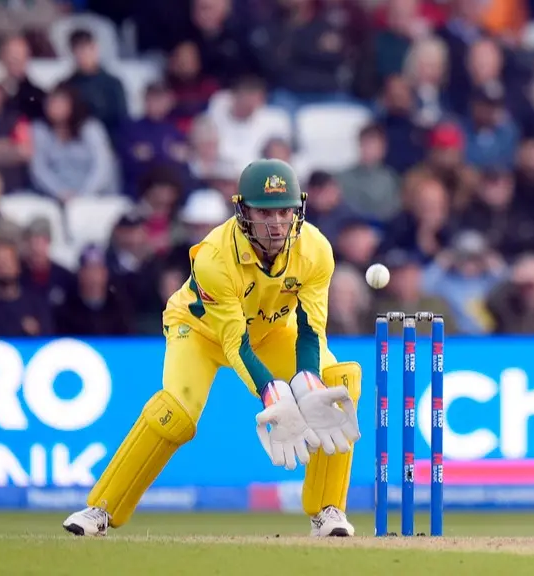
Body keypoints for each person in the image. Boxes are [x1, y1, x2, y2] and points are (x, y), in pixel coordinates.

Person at [62, 159, 363, 538]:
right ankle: (99, 510)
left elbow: (309, 330)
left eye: (285, 212)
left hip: (272, 330)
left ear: (298, 210)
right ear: (242, 211)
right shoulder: (214, 257)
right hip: (201, 331)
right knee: (175, 414)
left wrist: (306, 384)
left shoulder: (315, 250)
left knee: (335, 383)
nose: (276, 224)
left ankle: (327, 510)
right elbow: (233, 342)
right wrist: (272, 394)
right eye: (264, 212)